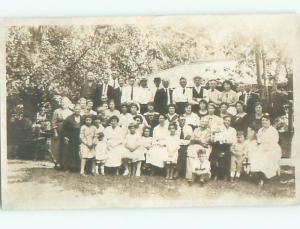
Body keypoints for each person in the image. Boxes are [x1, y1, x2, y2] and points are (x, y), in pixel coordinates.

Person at [254, 113, 282, 185]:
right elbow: (258, 140)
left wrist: (268, 148)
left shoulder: (273, 130)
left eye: (266, 120)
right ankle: (259, 175)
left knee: (267, 157)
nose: (264, 122)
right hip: (262, 147)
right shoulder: (260, 130)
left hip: (272, 148)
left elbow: (274, 141)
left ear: (269, 121)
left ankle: (265, 176)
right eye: (263, 120)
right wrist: (260, 146)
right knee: (256, 156)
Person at [210, 115, 237, 180]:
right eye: (226, 120)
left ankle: (225, 174)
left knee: (227, 155)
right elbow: (216, 139)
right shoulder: (219, 128)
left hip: (228, 146)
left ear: (230, 122)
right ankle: (215, 174)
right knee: (215, 153)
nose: (227, 122)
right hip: (218, 145)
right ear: (223, 120)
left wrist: (226, 141)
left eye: (229, 120)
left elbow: (233, 140)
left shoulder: (232, 130)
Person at [51, 97, 73, 168]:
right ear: (60, 103)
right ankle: (57, 162)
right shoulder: (56, 111)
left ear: (68, 103)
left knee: (65, 147)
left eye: (65, 102)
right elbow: (53, 122)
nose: (64, 104)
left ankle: (64, 163)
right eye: (62, 102)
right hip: (58, 131)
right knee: (57, 146)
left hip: (67, 132)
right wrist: (55, 132)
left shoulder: (70, 112)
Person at [61, 104, 83, 172]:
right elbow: (64, 128)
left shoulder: (82, 118)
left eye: (79, 109)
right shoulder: (69, 118)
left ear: (80, 110)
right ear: (74, 110)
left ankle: (77, 168)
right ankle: (67, 168)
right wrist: (65, 137)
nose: (77, 110)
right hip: (71, 137)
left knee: (78, 152)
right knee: (69, 152)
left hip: (79, 137)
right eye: (76, 109)